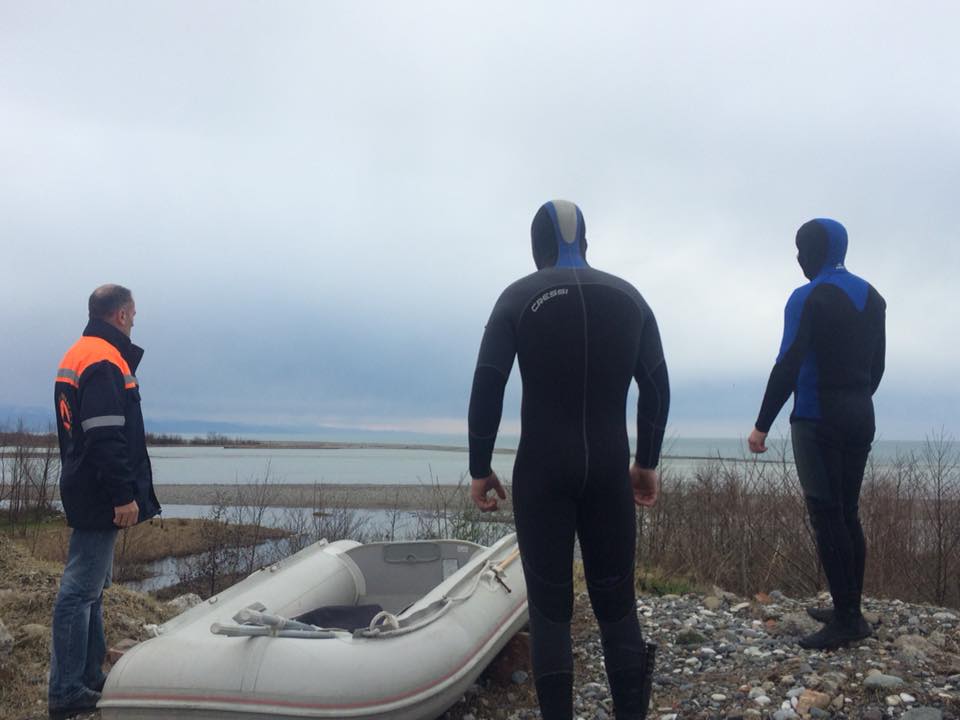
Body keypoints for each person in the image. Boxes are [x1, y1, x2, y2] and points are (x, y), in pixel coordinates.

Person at [468, 200, 670, 720]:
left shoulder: (517, 297)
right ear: (585, 241)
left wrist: (480, 467)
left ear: (537, 246)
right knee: (617, 608)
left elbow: (488, 384)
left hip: (542, 471)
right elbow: (656, 387)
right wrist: (646, 461)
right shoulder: (630, 298)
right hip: (608, 471)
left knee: (551, 614)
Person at [747, 219, 885, 650]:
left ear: (816, 250)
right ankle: (849, 607)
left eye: (801, 248)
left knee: (827, 516)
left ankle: (847, 620)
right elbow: (877, 366)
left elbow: (788, 363)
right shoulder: (873, 296)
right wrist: (853, 399)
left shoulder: (806, 297)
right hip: (860, 414)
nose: (797, 257)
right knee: (848, 513)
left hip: (816, 417)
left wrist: (762, 425)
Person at [49, 285, 161, 719]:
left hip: (84, 484)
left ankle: (89, 676)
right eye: (134, 313)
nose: (135, 320)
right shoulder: (103, 360)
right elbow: (104, 434)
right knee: (79, 592)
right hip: (100, 491)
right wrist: (123, 495)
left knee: (92, 590)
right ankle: (67, 691)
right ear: (120, 315)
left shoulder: (80, 353)